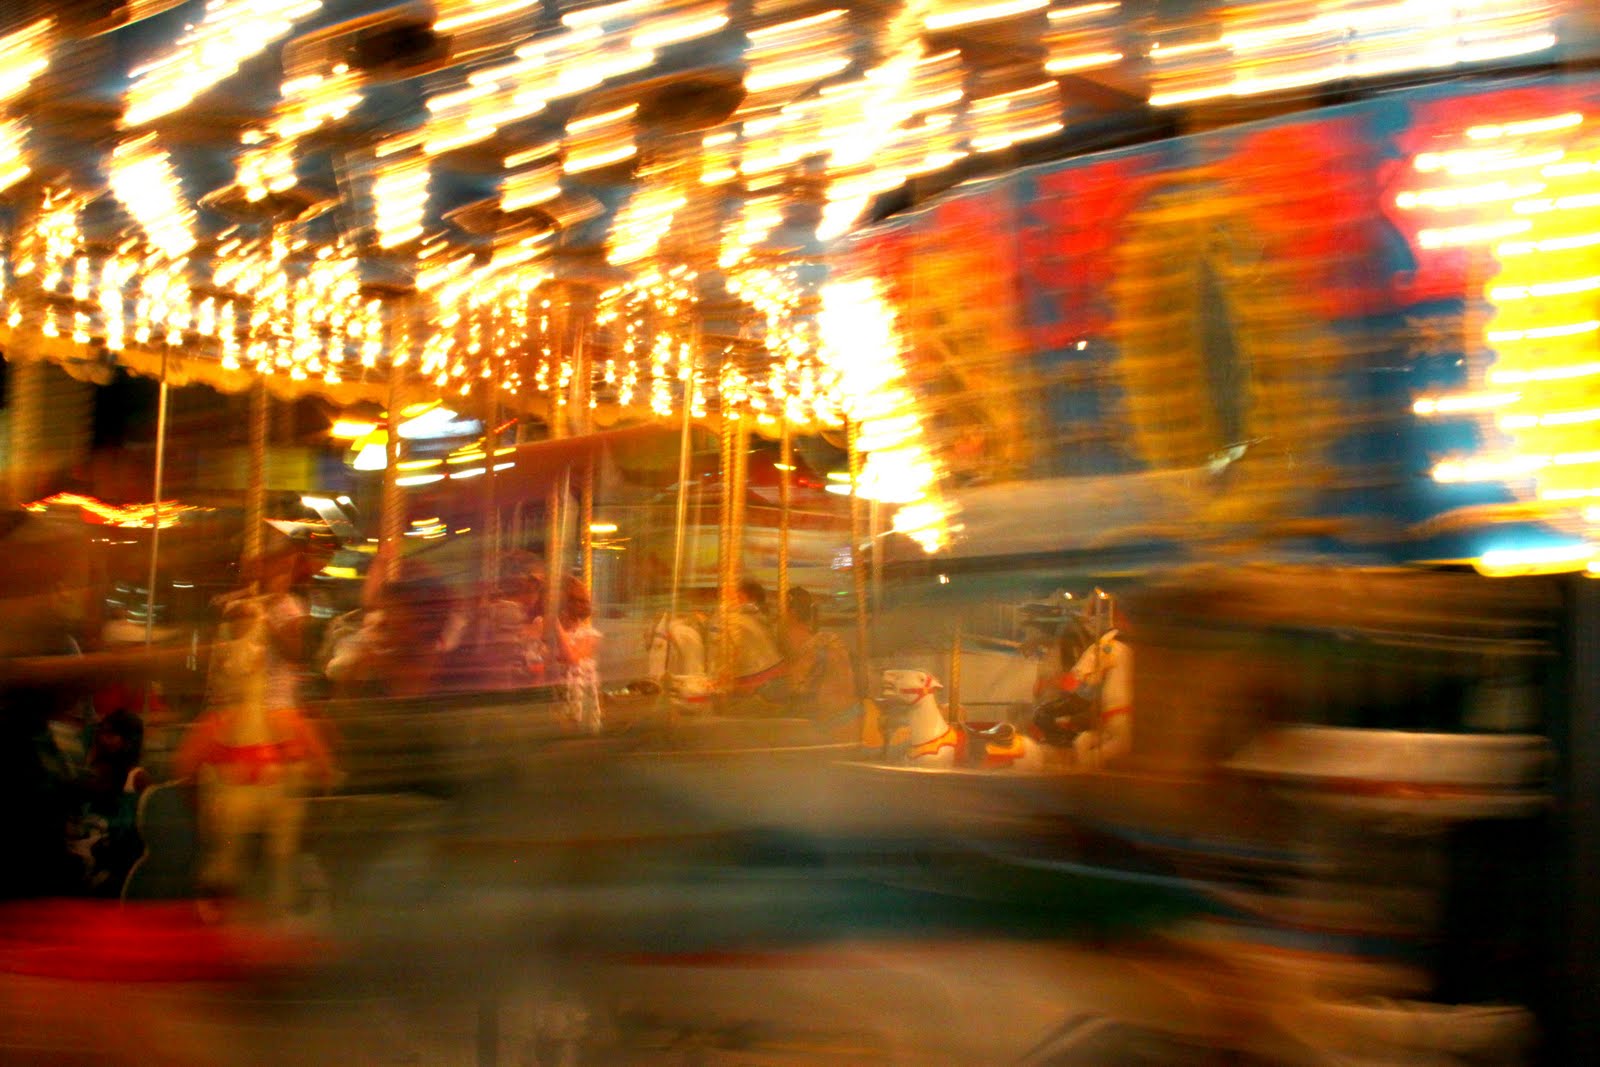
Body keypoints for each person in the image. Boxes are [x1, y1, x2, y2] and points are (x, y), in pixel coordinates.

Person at [778, 587, 857, 734]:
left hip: (822, 715)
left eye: (782, 612)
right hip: (839, 710)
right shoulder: (819, 641)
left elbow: (797, 686)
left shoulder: (812, 643)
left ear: (791, 613)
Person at [540, 576, 602, 733]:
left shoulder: (589, 635)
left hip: (576, 703)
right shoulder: (541, 626)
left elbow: (571, 658)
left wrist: (556, 624)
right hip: (548, 698)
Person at [717, 578, 785, 710]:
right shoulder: (762, 619)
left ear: (743, 597)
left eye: (733, 596)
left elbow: (728, 660)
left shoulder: (738, 620)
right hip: (774, 676)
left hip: (758, 682)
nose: (727, 601)